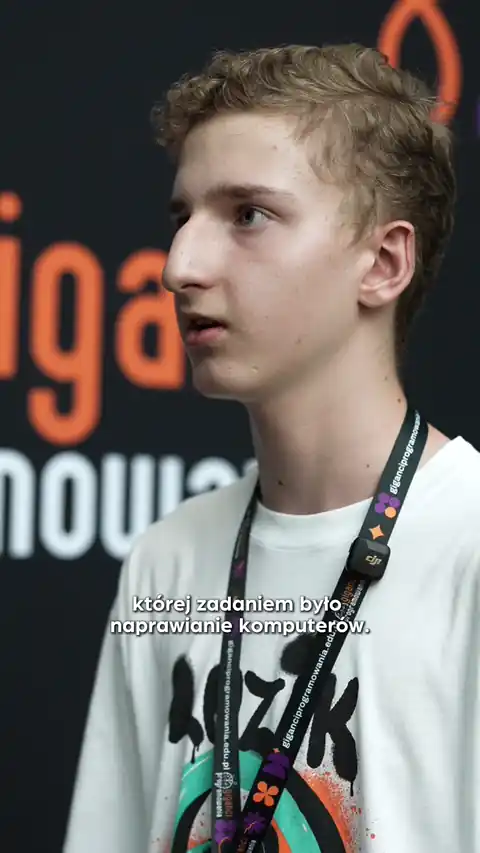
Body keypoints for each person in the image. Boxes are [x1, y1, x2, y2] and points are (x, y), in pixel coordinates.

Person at [63, 44, 480, 853]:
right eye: (182, 217)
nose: (180, 265)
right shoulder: (168, 558)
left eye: (248, 214)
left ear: (384, 262)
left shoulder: (471, 542)